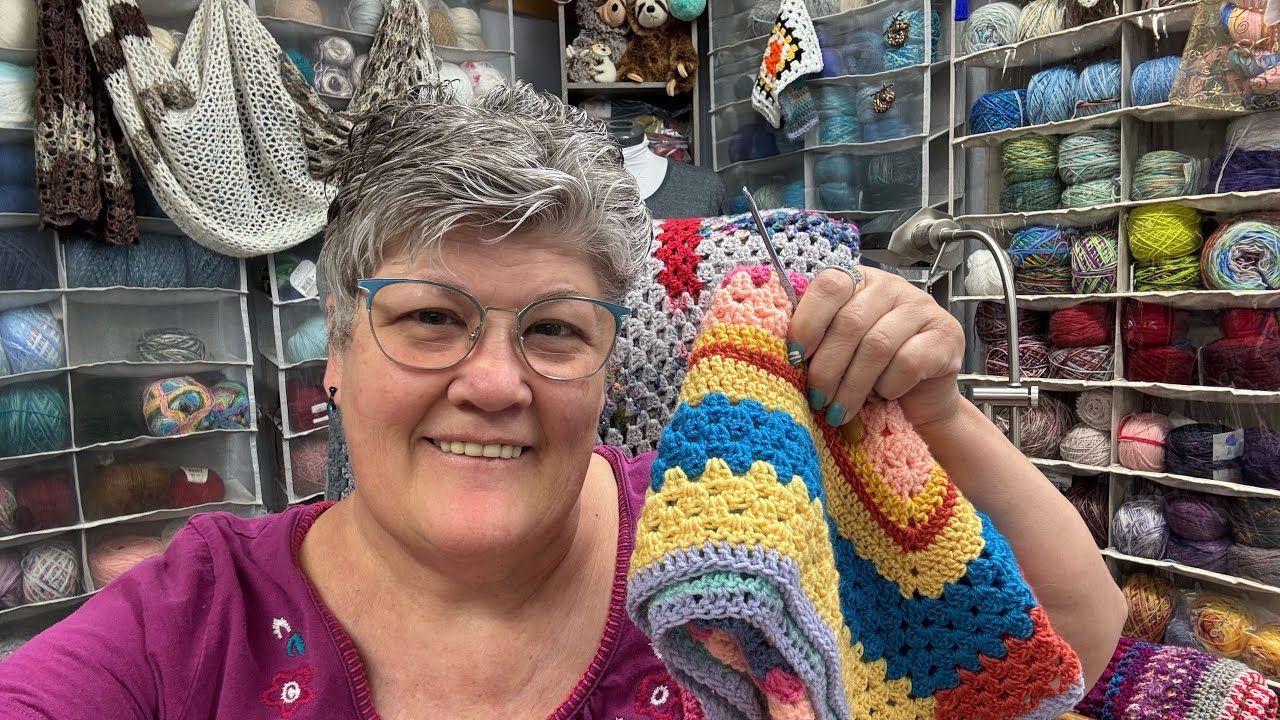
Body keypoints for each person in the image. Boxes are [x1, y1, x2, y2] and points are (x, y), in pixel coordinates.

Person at [0, 82, 1126, 719]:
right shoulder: (195, 621)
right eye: (428, 317)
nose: (494, 384)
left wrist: (936, 415)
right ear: (333, 355)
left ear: (606, 363)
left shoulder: (732, 533)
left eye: (552, 330)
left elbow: (1071, 641)